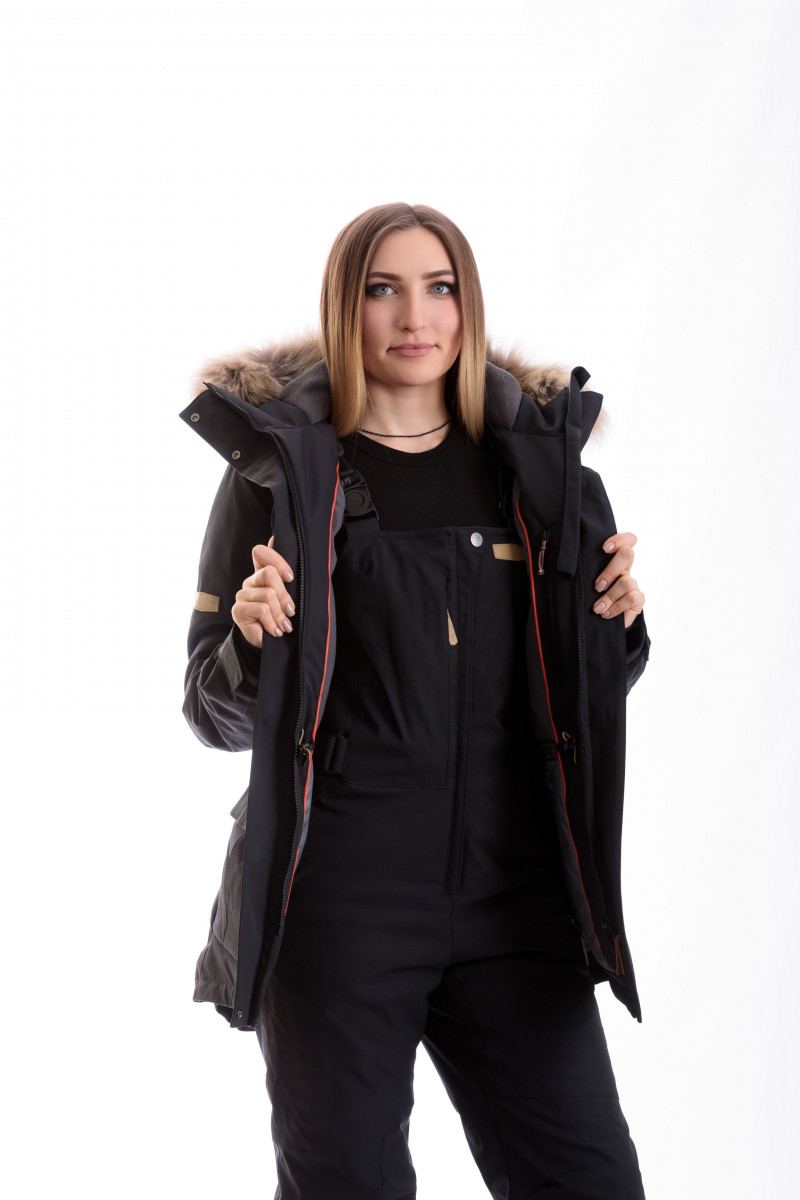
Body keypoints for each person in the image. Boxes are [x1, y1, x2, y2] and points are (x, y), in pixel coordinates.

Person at [180, 202, 651, 1199]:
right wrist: (253, 643)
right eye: (380, 289)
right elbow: (209, 713)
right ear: (342, 307)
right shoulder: (277, 478)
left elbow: (583, 691)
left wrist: (615, 621)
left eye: (439, 287)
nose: (414, 315)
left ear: (467, 304)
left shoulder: (543, 471)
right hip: (337, 900)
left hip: (517, 897)